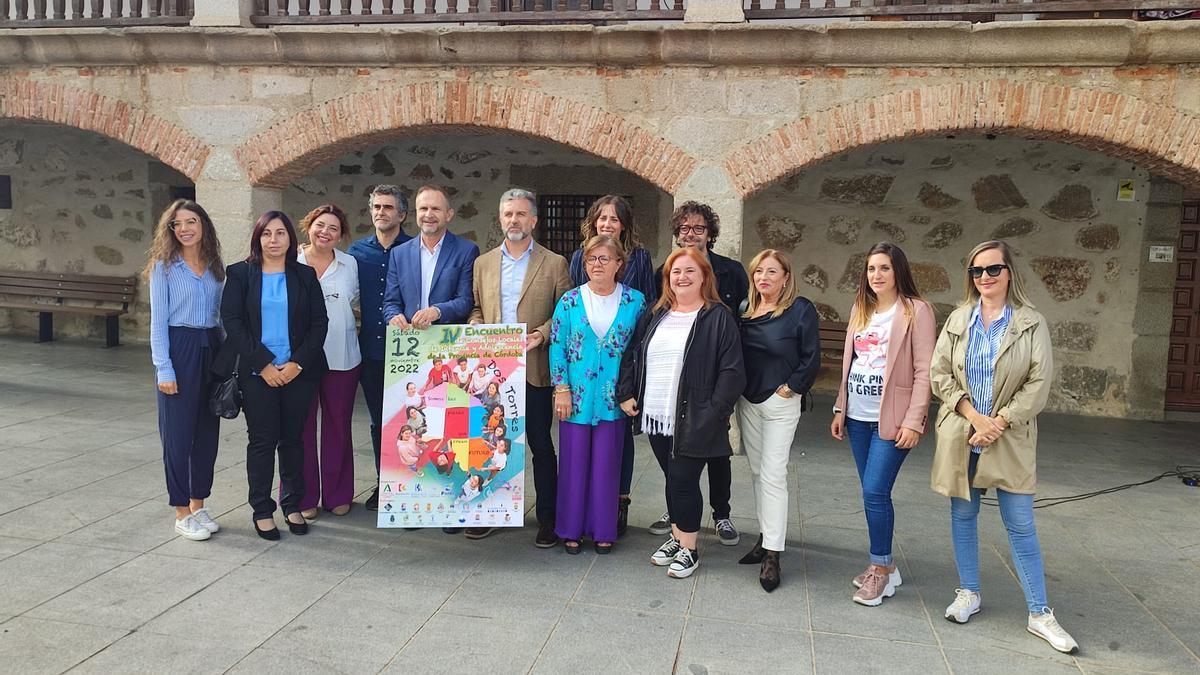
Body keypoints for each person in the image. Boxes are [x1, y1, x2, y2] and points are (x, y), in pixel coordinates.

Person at [930, 240, 1079, 654]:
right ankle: (969, 593)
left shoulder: (1031, 322)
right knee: (963, 515)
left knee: (1021, 523)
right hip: (963, 432)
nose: (984, 278)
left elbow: (1039, 383)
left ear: (1009, 272)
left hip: (1009, 437)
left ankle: (1039, 612)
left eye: (992, 270)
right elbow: (939, 373)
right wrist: (973, 416)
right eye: (976, 272)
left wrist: (997, 422)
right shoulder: (960, 319)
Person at [619, 248, 745, 579]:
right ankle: (678, 537)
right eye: (675, 272)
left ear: (704, 277)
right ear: (668, 279)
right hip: (657, 413)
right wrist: (627, 393)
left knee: (683, 480)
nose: (682, 277)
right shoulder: (657, 312)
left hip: (695, 416)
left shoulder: (718, 316)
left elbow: (732, 372)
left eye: (690, 271)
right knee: (673, 479)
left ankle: (689, 548)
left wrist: (714, 412)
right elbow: (635, 353)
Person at [829, 243, 936, 606]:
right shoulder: (862, 309)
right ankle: (887, 565)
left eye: (884, 268)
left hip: (891, 419)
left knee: (875, 492)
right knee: (872, 494)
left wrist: (915, 419)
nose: (876, 275)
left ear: (898, 271)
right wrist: (840, 408)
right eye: (871, 268)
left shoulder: (916, 311)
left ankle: (881, 570)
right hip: (858, 415)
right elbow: (851, 363)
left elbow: (925, 370)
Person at [469, 187, 573, 544]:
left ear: (533, 220)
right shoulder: (482, 263)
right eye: (508, 214)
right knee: (491, 442)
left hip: (534, 368)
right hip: (494, 374)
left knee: (541, 445)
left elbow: (564, 314)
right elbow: (477, 308)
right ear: (501, 219)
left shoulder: (554, 262)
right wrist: (474, 324)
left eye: (520, 214)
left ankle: (548, 517)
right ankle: (489, 511)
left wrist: (541, 335)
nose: (514, 220)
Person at [216, 211, 328, 541]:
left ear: (291, 239)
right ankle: (262, 509)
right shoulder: (239, 274)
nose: (274, 240)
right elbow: (232, 322)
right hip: (256, 373)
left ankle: (292, 503)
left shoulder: (305, 276)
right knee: (263, 440)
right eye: (267, 234)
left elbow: (319, 324)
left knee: (294, 439)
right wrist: (264, 364)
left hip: (299, 372)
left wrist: (297, 364)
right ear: (258, 238)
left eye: (281, 233)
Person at [648, 201, 748, 544]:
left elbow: (742, 324)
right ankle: (678, 513)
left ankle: (721, 513)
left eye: (699, 229)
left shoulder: (731, 271)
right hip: (674, 382)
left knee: (718, 453)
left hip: (715, 376)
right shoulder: (665, 270)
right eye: (685, 229)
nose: (691, 235)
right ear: (677, 234)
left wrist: (724, 397)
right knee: (676, 464)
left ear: (710, 234)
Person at [567, 196, 657, 537]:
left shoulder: (641, 258)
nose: (607, 224)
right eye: (601, 218)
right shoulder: (580, 257)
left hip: (624, 359)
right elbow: (580, 297)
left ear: (624, 225)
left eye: (614, 219)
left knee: (621, 437)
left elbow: (646, 311)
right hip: (588, 363)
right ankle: (588, 505)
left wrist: (635, 372)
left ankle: (619, 502)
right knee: (586, 436)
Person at [550, 235, 646, 555]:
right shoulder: (569, 301)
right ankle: (571, 528)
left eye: (604, 259)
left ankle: (604, 529)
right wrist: (561, 389)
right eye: (591, 259)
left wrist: (632, 392)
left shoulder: (635, 301)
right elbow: (557, 346)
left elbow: (638, 352)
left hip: (613, 399)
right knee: (574, 465)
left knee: (607, 466)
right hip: (575, 398)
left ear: (619, 264)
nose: (597, 265)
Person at [735, 249, 820, 592]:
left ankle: (773, 554)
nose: (764, 278)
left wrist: (791, 389)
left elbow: (812, 356)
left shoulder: (799, 310)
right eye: (758, 272)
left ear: (786, 277)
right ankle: (765, 537)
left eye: (772, 272)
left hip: (781, 402)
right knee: (757, 472)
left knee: (773, 473)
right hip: (749, 401)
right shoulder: (744, 310)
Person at [145, 199, 225, 542]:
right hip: (179, 348)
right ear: (171, 230)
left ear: (203, 225)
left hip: (212, 348)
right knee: (178, 437)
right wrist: (164, 369)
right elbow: (158, 323)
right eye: (177, 224)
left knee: (207, 433)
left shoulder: (215, 267)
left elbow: (221, 318)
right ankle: (180, 510)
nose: (185, 229)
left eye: (191, 221)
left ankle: (198, 503)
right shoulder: (163, 268)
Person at [347, 185, 411, 512]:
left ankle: (413, 486)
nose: (381, 212)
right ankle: (383, 483)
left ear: (401, 214)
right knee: (378, 423)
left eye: (388, 207)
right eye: (376, 206)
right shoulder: (356, 253)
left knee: (411, 424)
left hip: (409, 354)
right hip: (371, 351)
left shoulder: (414, 249)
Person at [295, 204, 361, 520]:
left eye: (333, 228)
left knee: (338, 425)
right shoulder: (290, 260)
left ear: (341, 234)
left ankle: (337, 493)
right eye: (320, 225)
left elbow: (356, 303)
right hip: (299, 359)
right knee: (300, 426)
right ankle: (302, 495)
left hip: (342, 356)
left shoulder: (350, 264)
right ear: (309, 225)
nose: (325, 232)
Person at [383, 184, 479, 330]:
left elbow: (466, 301)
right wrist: (394, 316)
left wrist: (437, 311)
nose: (428, 214)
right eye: (423, 208)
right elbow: (391, 302)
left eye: (435, 209)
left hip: (449, 341)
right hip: (410, 342)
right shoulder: (399, 254)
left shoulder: (466, 251)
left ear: (449, 214)